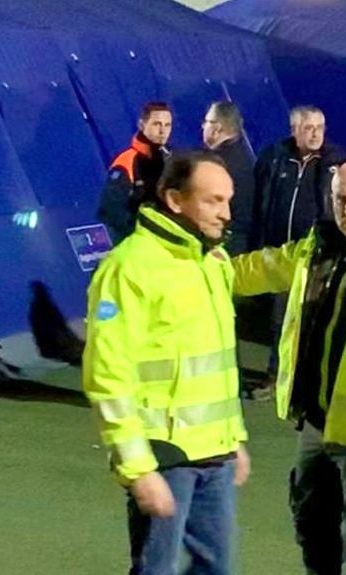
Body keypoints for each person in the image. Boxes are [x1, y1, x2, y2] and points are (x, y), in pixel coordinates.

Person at [83, 151, 251, 575]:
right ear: (175, 200)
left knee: (217, 569)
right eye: (213, 201)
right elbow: (107, 375)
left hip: (217, 456)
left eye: (228, 200)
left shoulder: (212, 261)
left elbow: (213, 366)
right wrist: (138, 468)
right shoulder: (128, 268)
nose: (226, 213)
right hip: (164, 458)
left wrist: (233, 438)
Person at [232, 159, 346, 574]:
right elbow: (263, 268)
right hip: (317, 419)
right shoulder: (319, 246)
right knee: (312, 523)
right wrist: (197, 272)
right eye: (341, 200)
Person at [251, 105, 346, 399]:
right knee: (281, 320)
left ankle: (309, 383)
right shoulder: (275, 158)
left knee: (313, 321)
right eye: (309, 128)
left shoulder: (337, 163)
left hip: (317, 258)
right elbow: (261, 203)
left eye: (320, 127)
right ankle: (276, 377)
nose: (316, 134)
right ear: (294, 130)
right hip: (281, 254)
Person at [98, 101, 173, 243]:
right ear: (142, 125)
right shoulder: (127, 162)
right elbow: (110, 209)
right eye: (157, 124)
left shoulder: (173, 160)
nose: (162, 131)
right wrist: (139, 234)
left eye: (167, 125)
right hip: (139, 243)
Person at [202, 100, 256, 255]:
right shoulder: (247, 158)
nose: (203, 126)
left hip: (221, 245)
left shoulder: (214, 164)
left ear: (217, 128)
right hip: (242, 242)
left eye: (206, 122)